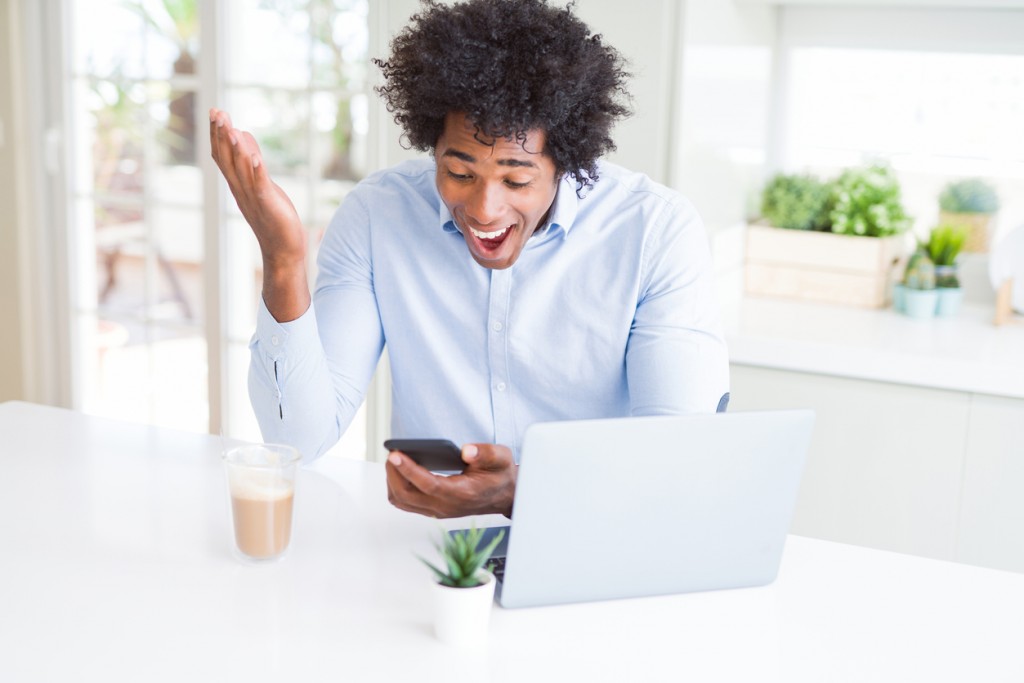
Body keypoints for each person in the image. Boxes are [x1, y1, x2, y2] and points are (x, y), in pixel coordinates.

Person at [209, 0, 729, 520]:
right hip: (426, 554)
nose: (484, 209)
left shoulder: (654, 232)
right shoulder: (377, 216)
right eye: (459, 173)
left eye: (517, 180)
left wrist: (519, 492)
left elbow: (677, 463)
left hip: (599, 538)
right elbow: (297, 436)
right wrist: (282, 259)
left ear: (566, 161)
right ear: (432, 144)